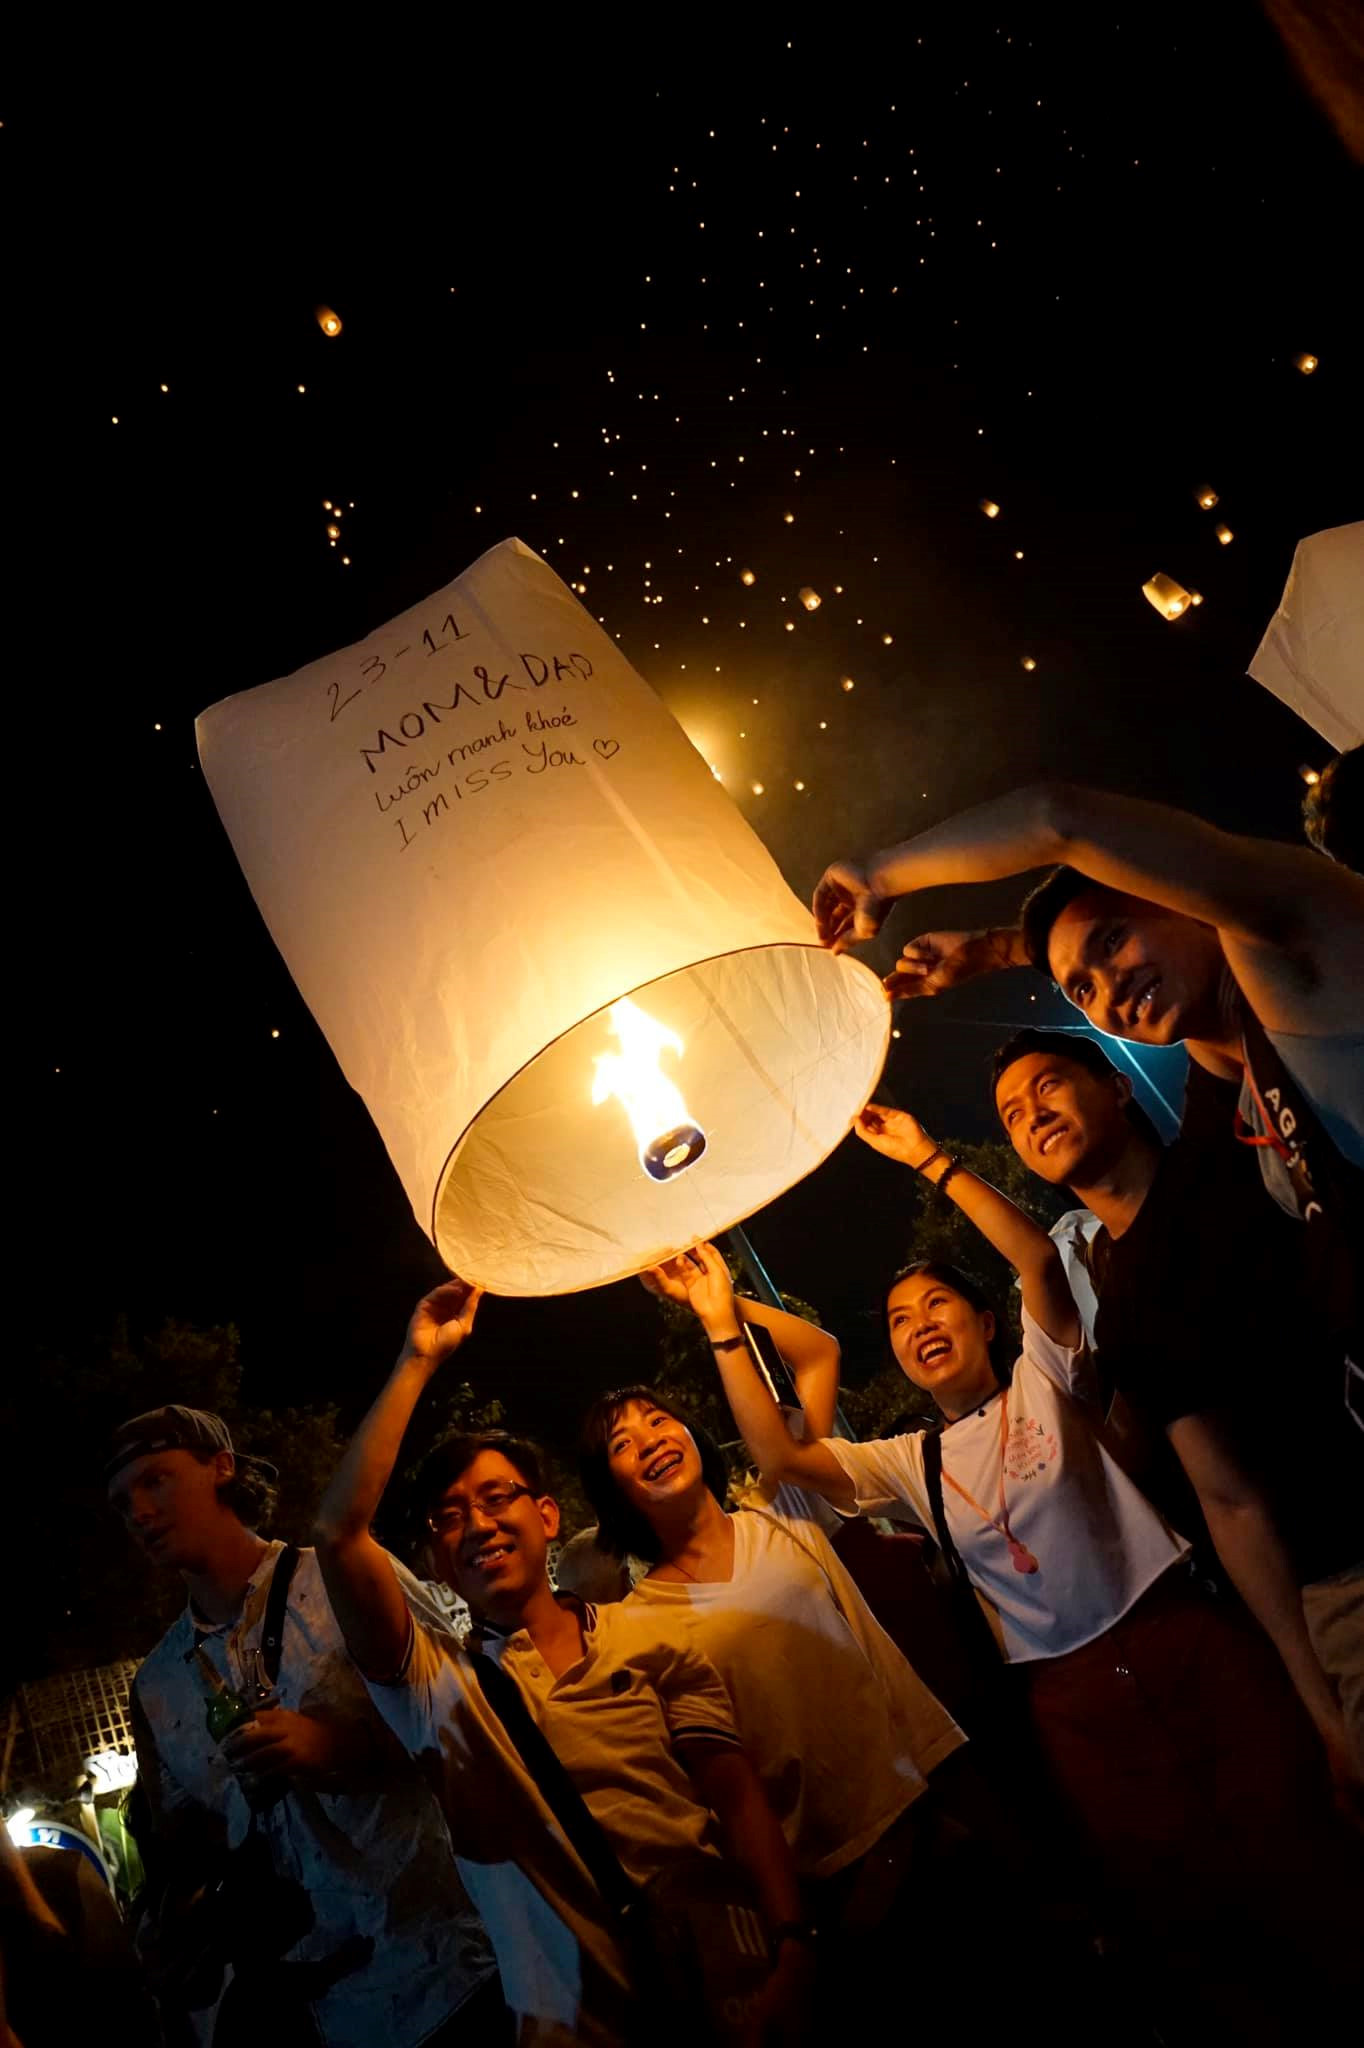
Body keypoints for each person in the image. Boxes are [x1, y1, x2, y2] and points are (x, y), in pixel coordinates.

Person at [692, 1116, 1364, 2034]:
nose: (919, 1326)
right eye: (900, 1322)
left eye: (936, 1305)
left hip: (1182, 1638)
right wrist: (720, 1316)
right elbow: (778, 1454)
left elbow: (1039, 1263)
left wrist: (930, 1159)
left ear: (983, 1321)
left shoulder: (1047, 1375)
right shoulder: (910, 1463)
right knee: (1189, 1919)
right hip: (1070, 1705)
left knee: (1303, 1848)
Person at [313, 1278, 815, 2048]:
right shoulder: (436, 1692)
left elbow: (737, 1797)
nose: (478, 1524)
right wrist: (416, 1361)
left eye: (497, 1498)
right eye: (450, 1517)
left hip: (735, 1990)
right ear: (435, 1561)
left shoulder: (647, 1636)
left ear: (547, 1516)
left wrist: (792, 1944)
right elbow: (338, 1535)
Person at [988, 1025, 1364, 1785]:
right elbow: (1230, 1502)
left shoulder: (1220, 1155)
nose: (1033, 1115)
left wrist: (1009, 958)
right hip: (1344, 1580)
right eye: (1012, 1115)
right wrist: (1318, 1699)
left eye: (1048, 1084)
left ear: (1119, 1085)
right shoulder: (1123, 1320)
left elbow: (1216, 1004)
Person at [106, 1404, 499, 2048]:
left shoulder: (342, 1578)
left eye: (156, 1480)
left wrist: (341, 1749)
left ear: (221, 1467)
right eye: (124, 1503)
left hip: (453, 1973)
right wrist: (173, 1927)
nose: (140, 1511)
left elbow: (473, 1722)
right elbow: (188, 1849)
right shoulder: (157, 1687)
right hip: (315, 2016)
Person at [576, 1286, 969, 1922]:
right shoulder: (639, 1621)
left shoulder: (781, 1506)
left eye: (657, 1420)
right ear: (611, 1490)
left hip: (927, 1809)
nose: (648, 1440)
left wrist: (715, 1304)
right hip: (831, 1880)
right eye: (622, 1444)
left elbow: (818, 1354)